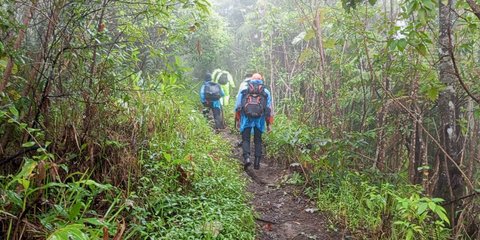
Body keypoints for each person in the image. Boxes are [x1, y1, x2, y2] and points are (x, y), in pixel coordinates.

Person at [235, 73, 273, 170]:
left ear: (251, 79)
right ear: (261, 80)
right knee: (258, 140)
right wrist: (269, 125)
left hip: (246, 118)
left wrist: (238, 120)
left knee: (246, 139)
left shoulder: (244, 89)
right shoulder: (266, 91)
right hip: (259, 120)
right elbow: (269, 109)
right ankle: (257, 162)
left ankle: (247, 158)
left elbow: (238, 106)